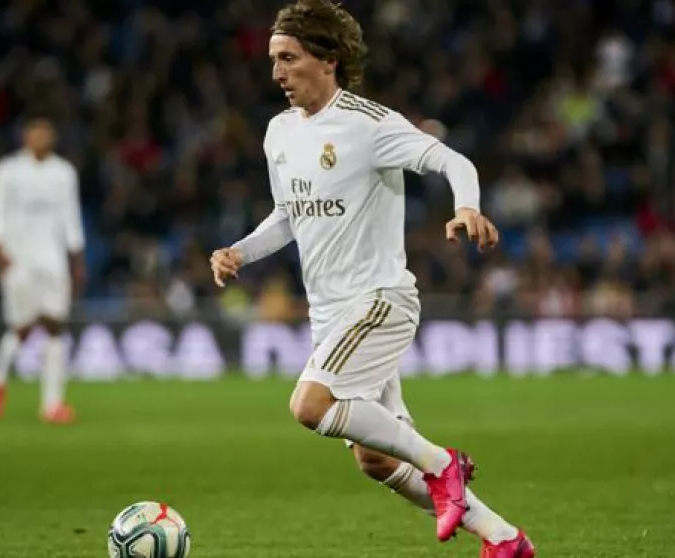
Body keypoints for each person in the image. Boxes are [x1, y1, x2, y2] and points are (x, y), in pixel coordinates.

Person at [209, 1, 535, 556]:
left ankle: (441, 463)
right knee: (376, 458)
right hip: (331, 315)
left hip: (380, 301)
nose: (277, 73)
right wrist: (240, 251)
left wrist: (468, 206)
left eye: (288, 58)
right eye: (273, 60)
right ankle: (503, 538)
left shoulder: (370, 124)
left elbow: (454, 161)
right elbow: (290, 214)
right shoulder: (279, 132)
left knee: (309, 406)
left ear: (328, 59)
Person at [0, 115, 86, 424]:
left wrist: (76, 258)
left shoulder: (64, 172)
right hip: (18, 258)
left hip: (53, 259)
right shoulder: (8, 170)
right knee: (23, 327)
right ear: (25, 138)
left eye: (46, 133)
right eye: (35, 134)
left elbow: (71, 215)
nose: (41, 139)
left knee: (55, 325)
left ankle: (52, 405)